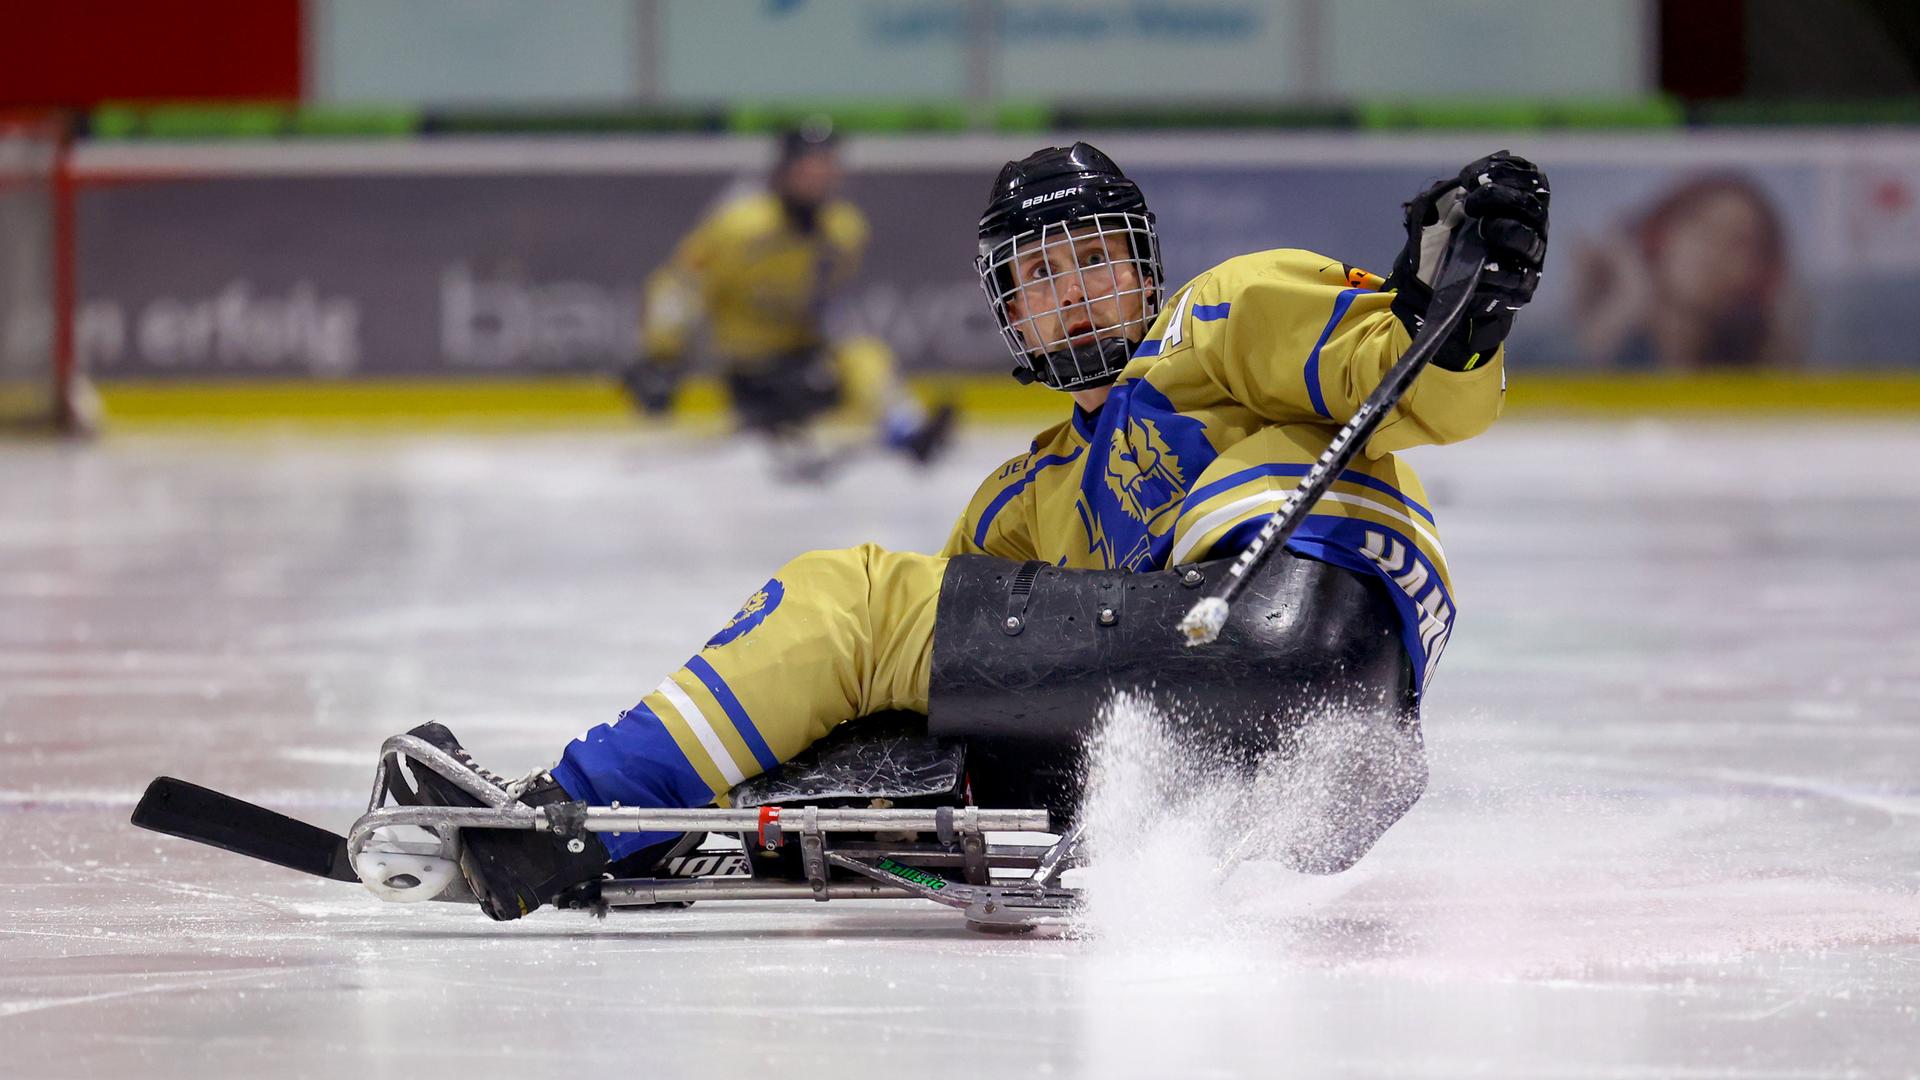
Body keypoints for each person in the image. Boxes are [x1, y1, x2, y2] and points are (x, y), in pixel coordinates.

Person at [405, 143, 1551, 920]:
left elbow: (1410, 385)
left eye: (1096, 262)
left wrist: (1465, 311)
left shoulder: (1214, 322)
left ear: (1144, 267)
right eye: (1043, 277)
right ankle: (655, 819)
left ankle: (569, 809)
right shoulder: (1026, 499)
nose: (1076, 295)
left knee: (852, 597)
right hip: (1279, 744)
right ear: (1011, 308)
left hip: (1293, 620)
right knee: (910, 674)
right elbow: (957, 683)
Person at [620, 120, 955, 478]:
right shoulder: (740, 229)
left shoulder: (844, 231)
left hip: (802, 362)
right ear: (783, 172)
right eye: (808, 166)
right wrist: (661, 357)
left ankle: (907, 431)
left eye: (827, 165)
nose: (818, 176)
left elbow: (824, 302)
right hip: (748, 371)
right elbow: (680, 286)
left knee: (865, 357)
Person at [1574, 173, 1797, 370]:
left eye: (1738, 241)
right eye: (1702, 225)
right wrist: (1623, 305)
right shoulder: (1602, 343)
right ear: (1658, 235)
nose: (1714, 251)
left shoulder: (1761, 372)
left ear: (1759, 273)